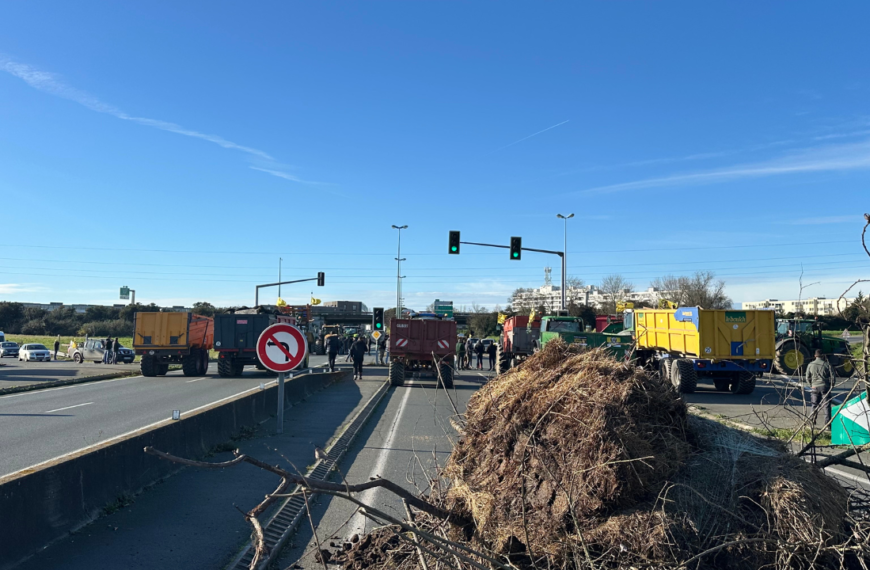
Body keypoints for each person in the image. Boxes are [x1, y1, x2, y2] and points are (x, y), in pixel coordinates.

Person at [807, 349, 835, 427]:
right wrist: (831, 386)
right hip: (825, 386)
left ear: (815, 355)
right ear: (822, 356)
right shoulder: (827, 364)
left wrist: (811, 384)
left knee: (814, 405)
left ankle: (812, 423)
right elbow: (833, 377)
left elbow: (807, 377)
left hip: (815, 387)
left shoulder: (810, 364)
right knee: (826, 406)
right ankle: (827, 425)